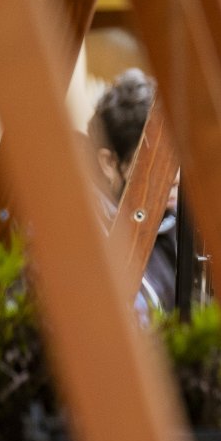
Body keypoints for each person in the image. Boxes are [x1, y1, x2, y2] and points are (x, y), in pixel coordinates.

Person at [88, 68, 178, 314]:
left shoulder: (174, 221)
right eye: (155, 164)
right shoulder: (90, 237)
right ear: (109, 163)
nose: (175, 178)